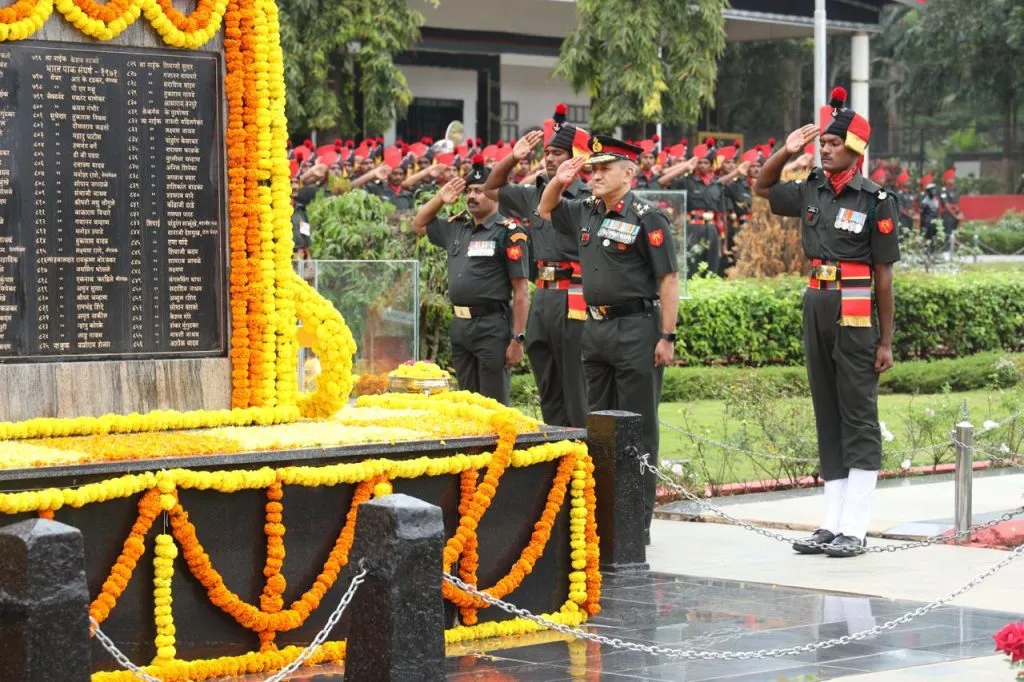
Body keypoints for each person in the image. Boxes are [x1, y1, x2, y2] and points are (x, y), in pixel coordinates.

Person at [754, 86, 900, 558]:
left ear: (855, 148)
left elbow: (884, 276)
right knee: (828, 411)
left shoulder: (876, 199)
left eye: (833, 143)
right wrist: (786, 151)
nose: (825, 149)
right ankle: (831, 522)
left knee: (858, 414)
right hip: (816, 299)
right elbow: (762, 187)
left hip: (856, 304)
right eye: (823, 144)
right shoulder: (812, 187)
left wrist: (886, 340)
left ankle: (855, 528)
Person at [538, 135, 679, 543]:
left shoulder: (648, 216)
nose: (594, 175)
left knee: (637, 426)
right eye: (592, 169)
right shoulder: (586, 209)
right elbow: (546, 208)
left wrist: (667, 335)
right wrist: (560, 180)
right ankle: (603, 516)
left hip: (636, 328)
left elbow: (668, 278)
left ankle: (636, 521)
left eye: (604, 169)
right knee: (599, 425)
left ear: (628, 173)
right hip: (595, 329)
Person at [483, 104, 591, 427]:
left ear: (575, 157)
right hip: (542, 297)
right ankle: (556, 456)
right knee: (547, 383)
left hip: (573, 296)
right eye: (546, 152)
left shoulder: (587, 196)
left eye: (558, 153)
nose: (549, 158)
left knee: (575, 385)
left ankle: (583, 461)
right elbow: (491, 187)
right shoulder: (534, 195)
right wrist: (513, 158)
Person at [412, 158, 530, 405]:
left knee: (493, 403)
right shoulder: (457, 227)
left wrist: (517, 339)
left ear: (495, 195)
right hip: (460, 326)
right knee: (466, 400)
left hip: (492, 327)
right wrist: (440, 199)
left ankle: (500, 444)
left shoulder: (507, 232)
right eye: (469, 191)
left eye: (479, 190)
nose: (472, 196)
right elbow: (419, 223)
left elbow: (521, 291)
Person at [938, 167, 964, 247]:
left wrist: (959, 213)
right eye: (950, 178)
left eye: (953, 178)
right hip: (947, 215)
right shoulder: (943, 190)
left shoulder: (956, 190)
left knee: (955, 233)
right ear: (946, 180)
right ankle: (946, 251)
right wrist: (955, 215)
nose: (952, 180)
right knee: (947, 234)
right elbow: (946, 205)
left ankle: (954, 250)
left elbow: (957, 204)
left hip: (955, 216)